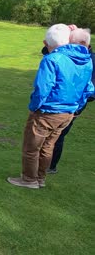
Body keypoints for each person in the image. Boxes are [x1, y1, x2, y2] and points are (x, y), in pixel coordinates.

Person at [7, 24, 94, 189]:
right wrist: (76, 108)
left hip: (49, 112)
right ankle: (40, 178)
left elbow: (42, 89)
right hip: (67, 113)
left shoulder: (52, 59)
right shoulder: (85, 60)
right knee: (48, 146)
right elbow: (88, 88)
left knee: (31, 147)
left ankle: (29, 180)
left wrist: (34, 107)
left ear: (47, 43)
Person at [47, 29, 95, 174]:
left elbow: (91, 90)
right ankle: (43, 166)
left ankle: (49, 166)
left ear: (82, 44)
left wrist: (77, 107)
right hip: (61, 104)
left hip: (72, 107)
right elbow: (49, 51)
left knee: (57, 136)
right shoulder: (65, 55)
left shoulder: (90, 59)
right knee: (49, 136)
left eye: (70, 42)